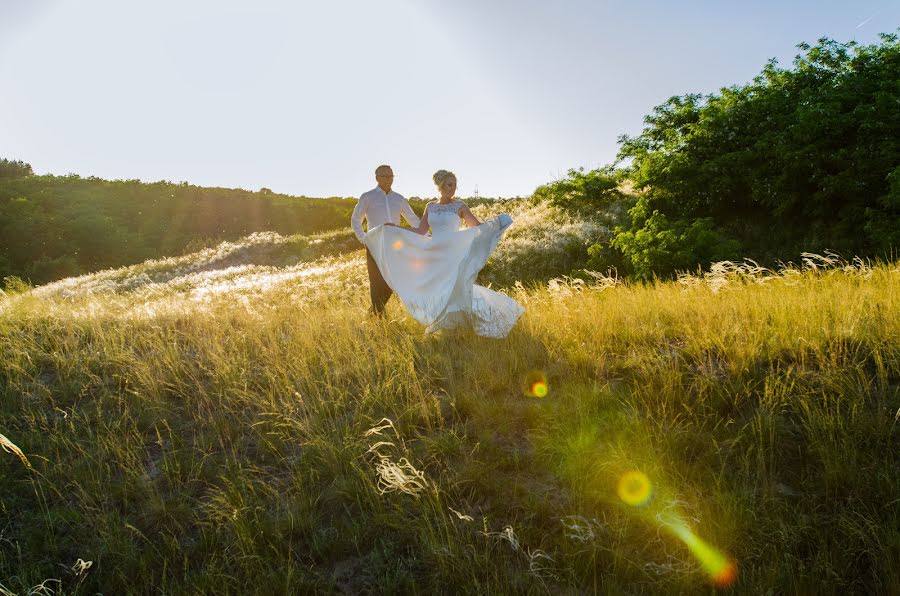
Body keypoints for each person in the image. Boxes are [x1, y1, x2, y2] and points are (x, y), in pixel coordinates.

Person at [362, 169, 524, 338]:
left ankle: (484, 317)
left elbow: (476, 227)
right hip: (434, 253)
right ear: (440, 186)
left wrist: (495, 224)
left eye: (454, 185)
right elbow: (421, 231)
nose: (452, 188)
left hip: (453, 254)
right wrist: (396, 228)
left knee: (455, 287)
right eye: (449, 184)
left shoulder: (459, 206)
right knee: (438, 289)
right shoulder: (430, 206)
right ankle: (446, 325)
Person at [351, 165, 421, 316]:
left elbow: (412, 219)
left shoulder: (399, 199)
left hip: (395, 245)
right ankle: (377, 315)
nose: (389, 179)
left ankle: (374, 312)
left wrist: (427, 235)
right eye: (385, 176)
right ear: (377, 178)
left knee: (394, 279)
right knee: (376, 281)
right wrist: (364, 239)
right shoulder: (367, 197)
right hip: (375, 244)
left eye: (391, 176)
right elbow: (356, 219)